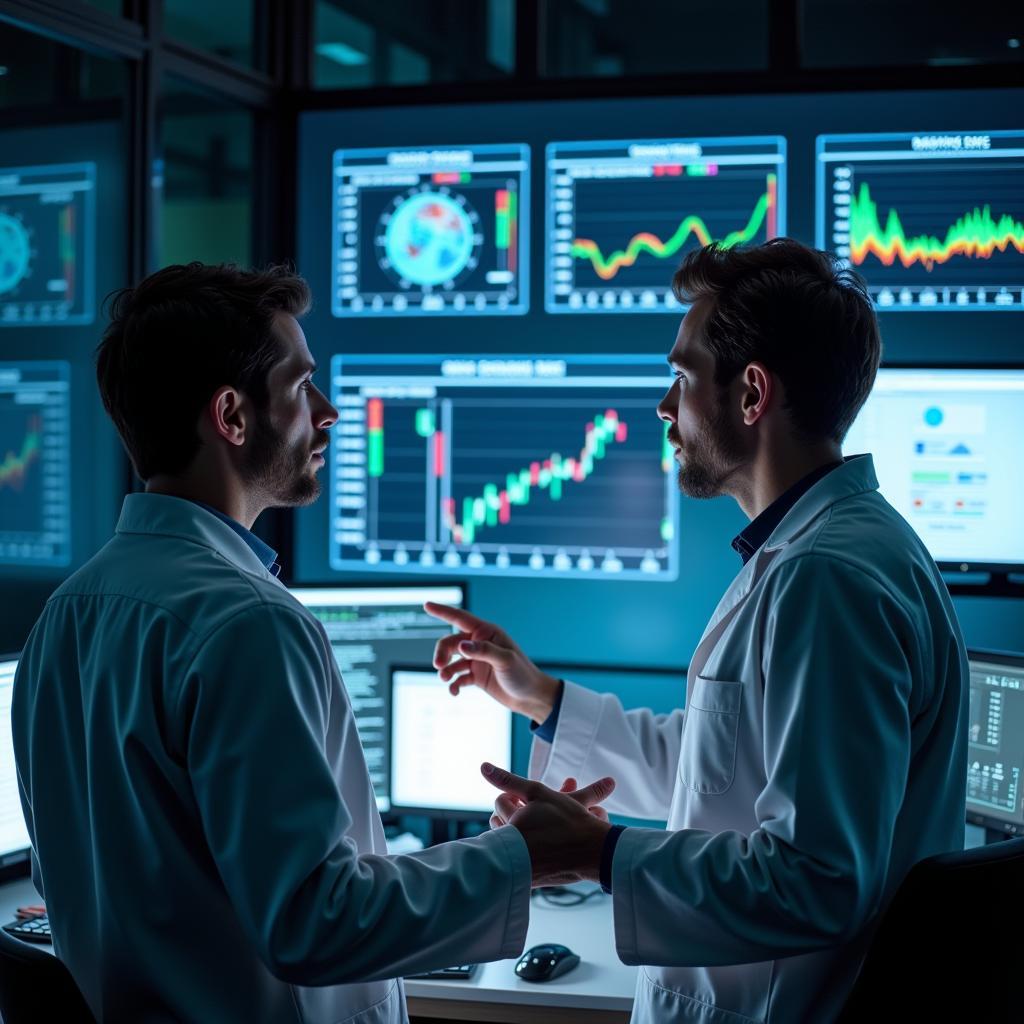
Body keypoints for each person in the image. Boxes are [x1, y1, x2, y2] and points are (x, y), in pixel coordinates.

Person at [11, 262, 615, 1023]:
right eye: (302, 387)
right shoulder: (246, 623)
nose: (328, 413)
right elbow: (317, 923)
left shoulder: (66, 616)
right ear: (232, 416)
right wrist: (524, 856)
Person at [427, 239, 969, 1024]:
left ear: (751, 394)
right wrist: (543, 698)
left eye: (681, 377)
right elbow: (724, 770)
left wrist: (598, 853)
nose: (663, 407)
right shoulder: (813, 553)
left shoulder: (829, 577)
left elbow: (817, 881)